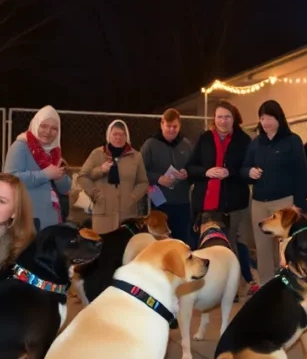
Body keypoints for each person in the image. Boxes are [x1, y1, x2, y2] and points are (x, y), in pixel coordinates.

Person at [186, 101, 256, 292]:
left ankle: (238, 284)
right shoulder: (205, 138)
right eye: (219, 117)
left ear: (234, 118)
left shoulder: (244, 140)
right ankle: (214, 286)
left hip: (234, 202)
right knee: (210, 246)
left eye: (227, 117)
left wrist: (229, 172)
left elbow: (247, 167)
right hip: (207, 204)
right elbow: (190, 167)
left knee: (232, 244)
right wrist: (206, 171)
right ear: (213, 119)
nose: (223, 121)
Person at [242, 100, 307, 286]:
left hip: (284, 203)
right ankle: (266, 285)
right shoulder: (256, 143)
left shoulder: (292, 141)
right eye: (262, 118)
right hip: (259, 203)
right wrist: (249, 172)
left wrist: (299, 203)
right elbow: (244, 168)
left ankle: (292, 282)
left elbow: (302, 173)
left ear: (279, 118)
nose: (265, 122)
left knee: (287, 247)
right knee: (262, 248)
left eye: (270, 117)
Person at [4, 105, 71, 231]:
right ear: (35, 125)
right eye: (44, 126)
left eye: (54, 128)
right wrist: (45, 175)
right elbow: (10, 178)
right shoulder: (21, 146)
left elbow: (65, 188)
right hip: (28, 221)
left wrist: (59, 177)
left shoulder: (54, 152)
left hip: (51, 220)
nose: (48, 132)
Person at [78, 120, 149, 234]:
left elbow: (143, 182)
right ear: (108, 135)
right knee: (103, 247)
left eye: (122, 134)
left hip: (127, 215)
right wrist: (100, 171)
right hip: (103, 213)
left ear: (127, 136)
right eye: (115, 134)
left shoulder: (136, 156)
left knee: (125, 248)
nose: (118, 137)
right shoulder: (97, 154)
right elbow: (83, 177)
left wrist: (133, 196)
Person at [140, 108, 194, 246]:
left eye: (175, 126)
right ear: (162, 124)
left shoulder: (186, 144)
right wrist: (158, 179)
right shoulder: (150, 145)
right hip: (158, 199)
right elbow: (140, 172)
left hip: (182, 201)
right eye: (168, 126)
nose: (171, 130)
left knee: (181, 241)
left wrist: (187, 173)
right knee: (161, 241)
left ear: (180, 126)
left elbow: (194, 168)